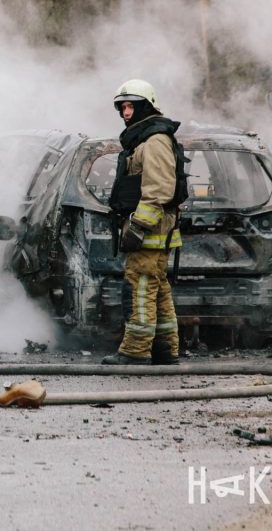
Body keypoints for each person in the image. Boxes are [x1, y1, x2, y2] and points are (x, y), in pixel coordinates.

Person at [103, 79, 184, 366]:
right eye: (122, 106)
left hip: (150, 230)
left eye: (131, 106)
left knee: (139, 287)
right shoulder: (145, 138)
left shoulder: (155, 140)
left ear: (146, 106)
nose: (126, 112)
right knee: (157, 287)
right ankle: (165, 349)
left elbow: (159, 189)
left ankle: (135, 351)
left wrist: (138, 226)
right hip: (154, 230)